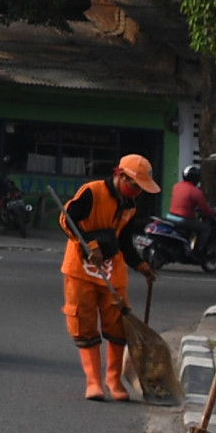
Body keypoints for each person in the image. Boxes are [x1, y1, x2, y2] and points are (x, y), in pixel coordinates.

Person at [61, 152, 162, 402]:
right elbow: (67, 219)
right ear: (119, 175)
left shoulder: (130, 206)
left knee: (119, 322)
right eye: (133, 185)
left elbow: (124, 242)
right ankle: (93, 381)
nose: (136, 191)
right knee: (83, 322)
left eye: (140, 189)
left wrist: (140, 265)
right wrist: (90, 245)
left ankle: (113, 379)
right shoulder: (92, 192)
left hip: (112, 270)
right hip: (80, 269)